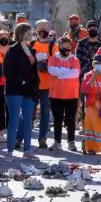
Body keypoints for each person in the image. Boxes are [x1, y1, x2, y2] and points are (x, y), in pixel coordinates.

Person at [3, 23, 39, 159]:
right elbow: (7, 71)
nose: (31, 33)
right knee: (14, 121)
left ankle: (27, 151)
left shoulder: (31, 49)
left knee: (28, 121)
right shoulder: (12, 50)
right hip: (14, 90)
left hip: (29, 90)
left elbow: (34, 71)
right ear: (21, 33)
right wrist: (21, 81)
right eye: (28, 31)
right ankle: (10, 152)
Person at [47, 36, 80, 151]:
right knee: (57, 119)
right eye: (62, 45)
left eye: (67, 45)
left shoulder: (75, 59)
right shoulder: (53, 58)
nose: (65, 47)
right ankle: (57, 142)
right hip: (56, 94)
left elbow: (75, 74)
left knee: (71, 119)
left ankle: (71, 142)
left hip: (71, 94)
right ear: (59, 45)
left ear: (71, 46)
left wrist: (59, 73)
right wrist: (67, 71)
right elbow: (51, 71)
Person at [30, 19, 58, 149]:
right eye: (40, 27)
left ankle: (42, 138)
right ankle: (21, 137)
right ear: (36, 30)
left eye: (46, 28)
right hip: (33, 84)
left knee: (45, 114)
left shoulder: (54, 46)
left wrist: (47, 65)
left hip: (48, 85)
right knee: (27, 113)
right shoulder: (30, 44)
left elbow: (58, 63)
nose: (43, 30)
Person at [0, 29, 10, 143]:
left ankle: (10, 131)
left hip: (10, 83)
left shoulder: (12, 50)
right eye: (2, 37)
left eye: (6, 37)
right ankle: (1, 132)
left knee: (10, 109)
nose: (4, 39)